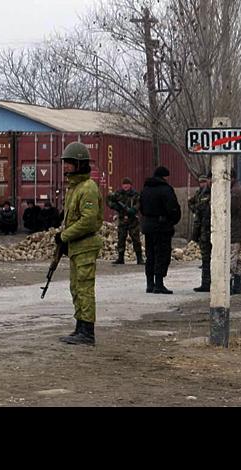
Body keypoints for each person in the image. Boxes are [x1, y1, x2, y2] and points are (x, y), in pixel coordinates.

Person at [54, 141, 103, 346]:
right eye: (64, 162)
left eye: (69, 162)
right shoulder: (74, 188)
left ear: (79, 164)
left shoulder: (87, 188)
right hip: (76, 246)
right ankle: (80, 327)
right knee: (76, 287)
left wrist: (64, 236)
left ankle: (87, 332)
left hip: (85, 245)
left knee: (84, 288)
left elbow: (88, 221)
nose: (65, 166)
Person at [140, 166, 181, 294]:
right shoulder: (166, 190)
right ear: (165, 177)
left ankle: (149, 284)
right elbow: (173, 208)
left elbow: (140, 207)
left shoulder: (145, 189)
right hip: (162, 227)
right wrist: (172, 220)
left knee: (150, 255)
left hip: (148, 225)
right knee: (161, 255)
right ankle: (159, 284)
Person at [107, 177, 143, 265]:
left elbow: (138, 205)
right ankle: (120, 258)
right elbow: (108, 199)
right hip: (122, 219)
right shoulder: (118, 194)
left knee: (136, 239)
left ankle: (139, 258)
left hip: (133, 220)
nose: (125, 186)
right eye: (124, 184)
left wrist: (132, 210)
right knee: (121, 239)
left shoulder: (135, 194)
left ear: (130, 185)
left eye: (127, 184)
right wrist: (116, 207)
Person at [189, 174, 212, 292]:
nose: (203, 183)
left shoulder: (212, 193)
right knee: (205, 258)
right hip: (202, 229)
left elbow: (204, 208)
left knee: (210, 258)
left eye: (205, 181)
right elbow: (192, 203)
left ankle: (211, 282)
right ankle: (206, 283)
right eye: (202, 182)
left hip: (210, 229)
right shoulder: (200, 193)